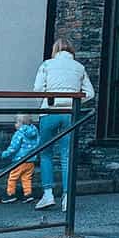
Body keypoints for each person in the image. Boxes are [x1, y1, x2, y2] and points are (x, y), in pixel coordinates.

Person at [33, 38, 95, 211]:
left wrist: (47, 99)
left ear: (55, 50)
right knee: (67, 155)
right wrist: (74, 102)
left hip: (50, 111)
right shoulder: (79, 67)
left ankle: (48, 194)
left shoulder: (47, 65)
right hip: (70, 114)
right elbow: (90, 93)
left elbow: (37, 89)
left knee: (45, 154)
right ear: (71, 51)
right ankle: (67, 198)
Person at [0, 113, 40, 203]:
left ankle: (10, 194)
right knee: (26, 178)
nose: (15, 124)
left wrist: (4, 154)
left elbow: (14, 148)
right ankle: (28, 194)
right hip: (31, 160)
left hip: (19, 160)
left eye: (16, 122)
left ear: (21, 124)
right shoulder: (35, 131)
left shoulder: (19, 134)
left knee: (12, 177)